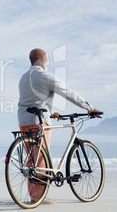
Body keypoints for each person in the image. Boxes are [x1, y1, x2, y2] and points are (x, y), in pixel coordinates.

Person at [17, 48, 100, 205]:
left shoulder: (23, 77)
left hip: (23, 121)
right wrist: (89, 107)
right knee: (41, 159)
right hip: (38, 121)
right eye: (46, 59)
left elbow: (33, 100)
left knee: (31, 161)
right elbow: (67, 92)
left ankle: (34, 195)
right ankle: (38, 198)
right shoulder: (44, 75)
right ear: (42, 60)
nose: (46, 62)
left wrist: (51, 112)